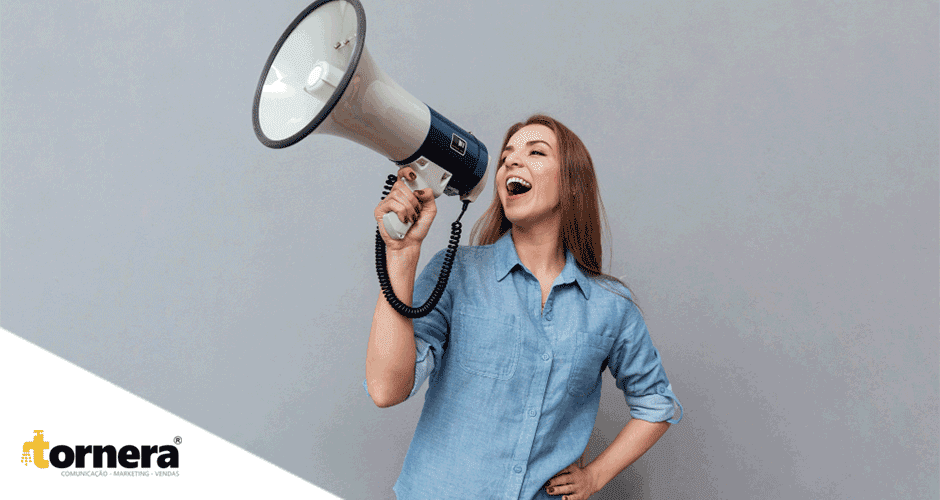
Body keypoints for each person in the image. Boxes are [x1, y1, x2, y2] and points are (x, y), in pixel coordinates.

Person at [366, 114, 682, 499]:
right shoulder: (458, 274)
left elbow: (656, 403)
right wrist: (401, 255)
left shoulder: (610, 308)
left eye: (536, 152)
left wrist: (595, 477)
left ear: (572, 185)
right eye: (506, 157)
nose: (511, 162)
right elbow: (386, 389)